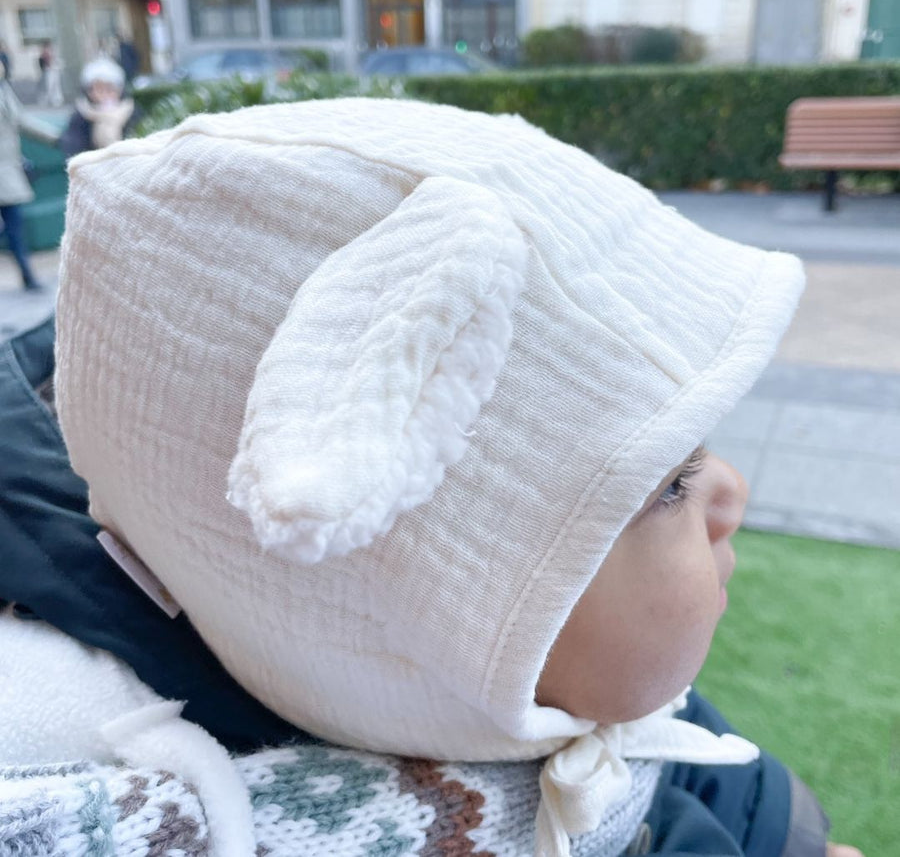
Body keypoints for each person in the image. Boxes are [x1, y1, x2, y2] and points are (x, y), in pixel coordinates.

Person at [1, 99, 863, 856]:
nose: (732, 494)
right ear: (437, 617)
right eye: (670, 485)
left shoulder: (584, 688)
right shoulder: (210, 820)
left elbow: (690, 763)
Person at [0, 59, 41, 290]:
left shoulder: (5, 91)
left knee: (15, 228)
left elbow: (22, 121)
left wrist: (56, 138)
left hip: (8, 171)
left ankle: (27, 274)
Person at [59, 56, 136, 157]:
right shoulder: (81, 116)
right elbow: (74, 149)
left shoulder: (131, 112)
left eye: (110, 88)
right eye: (99, 89)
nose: (104, 94)